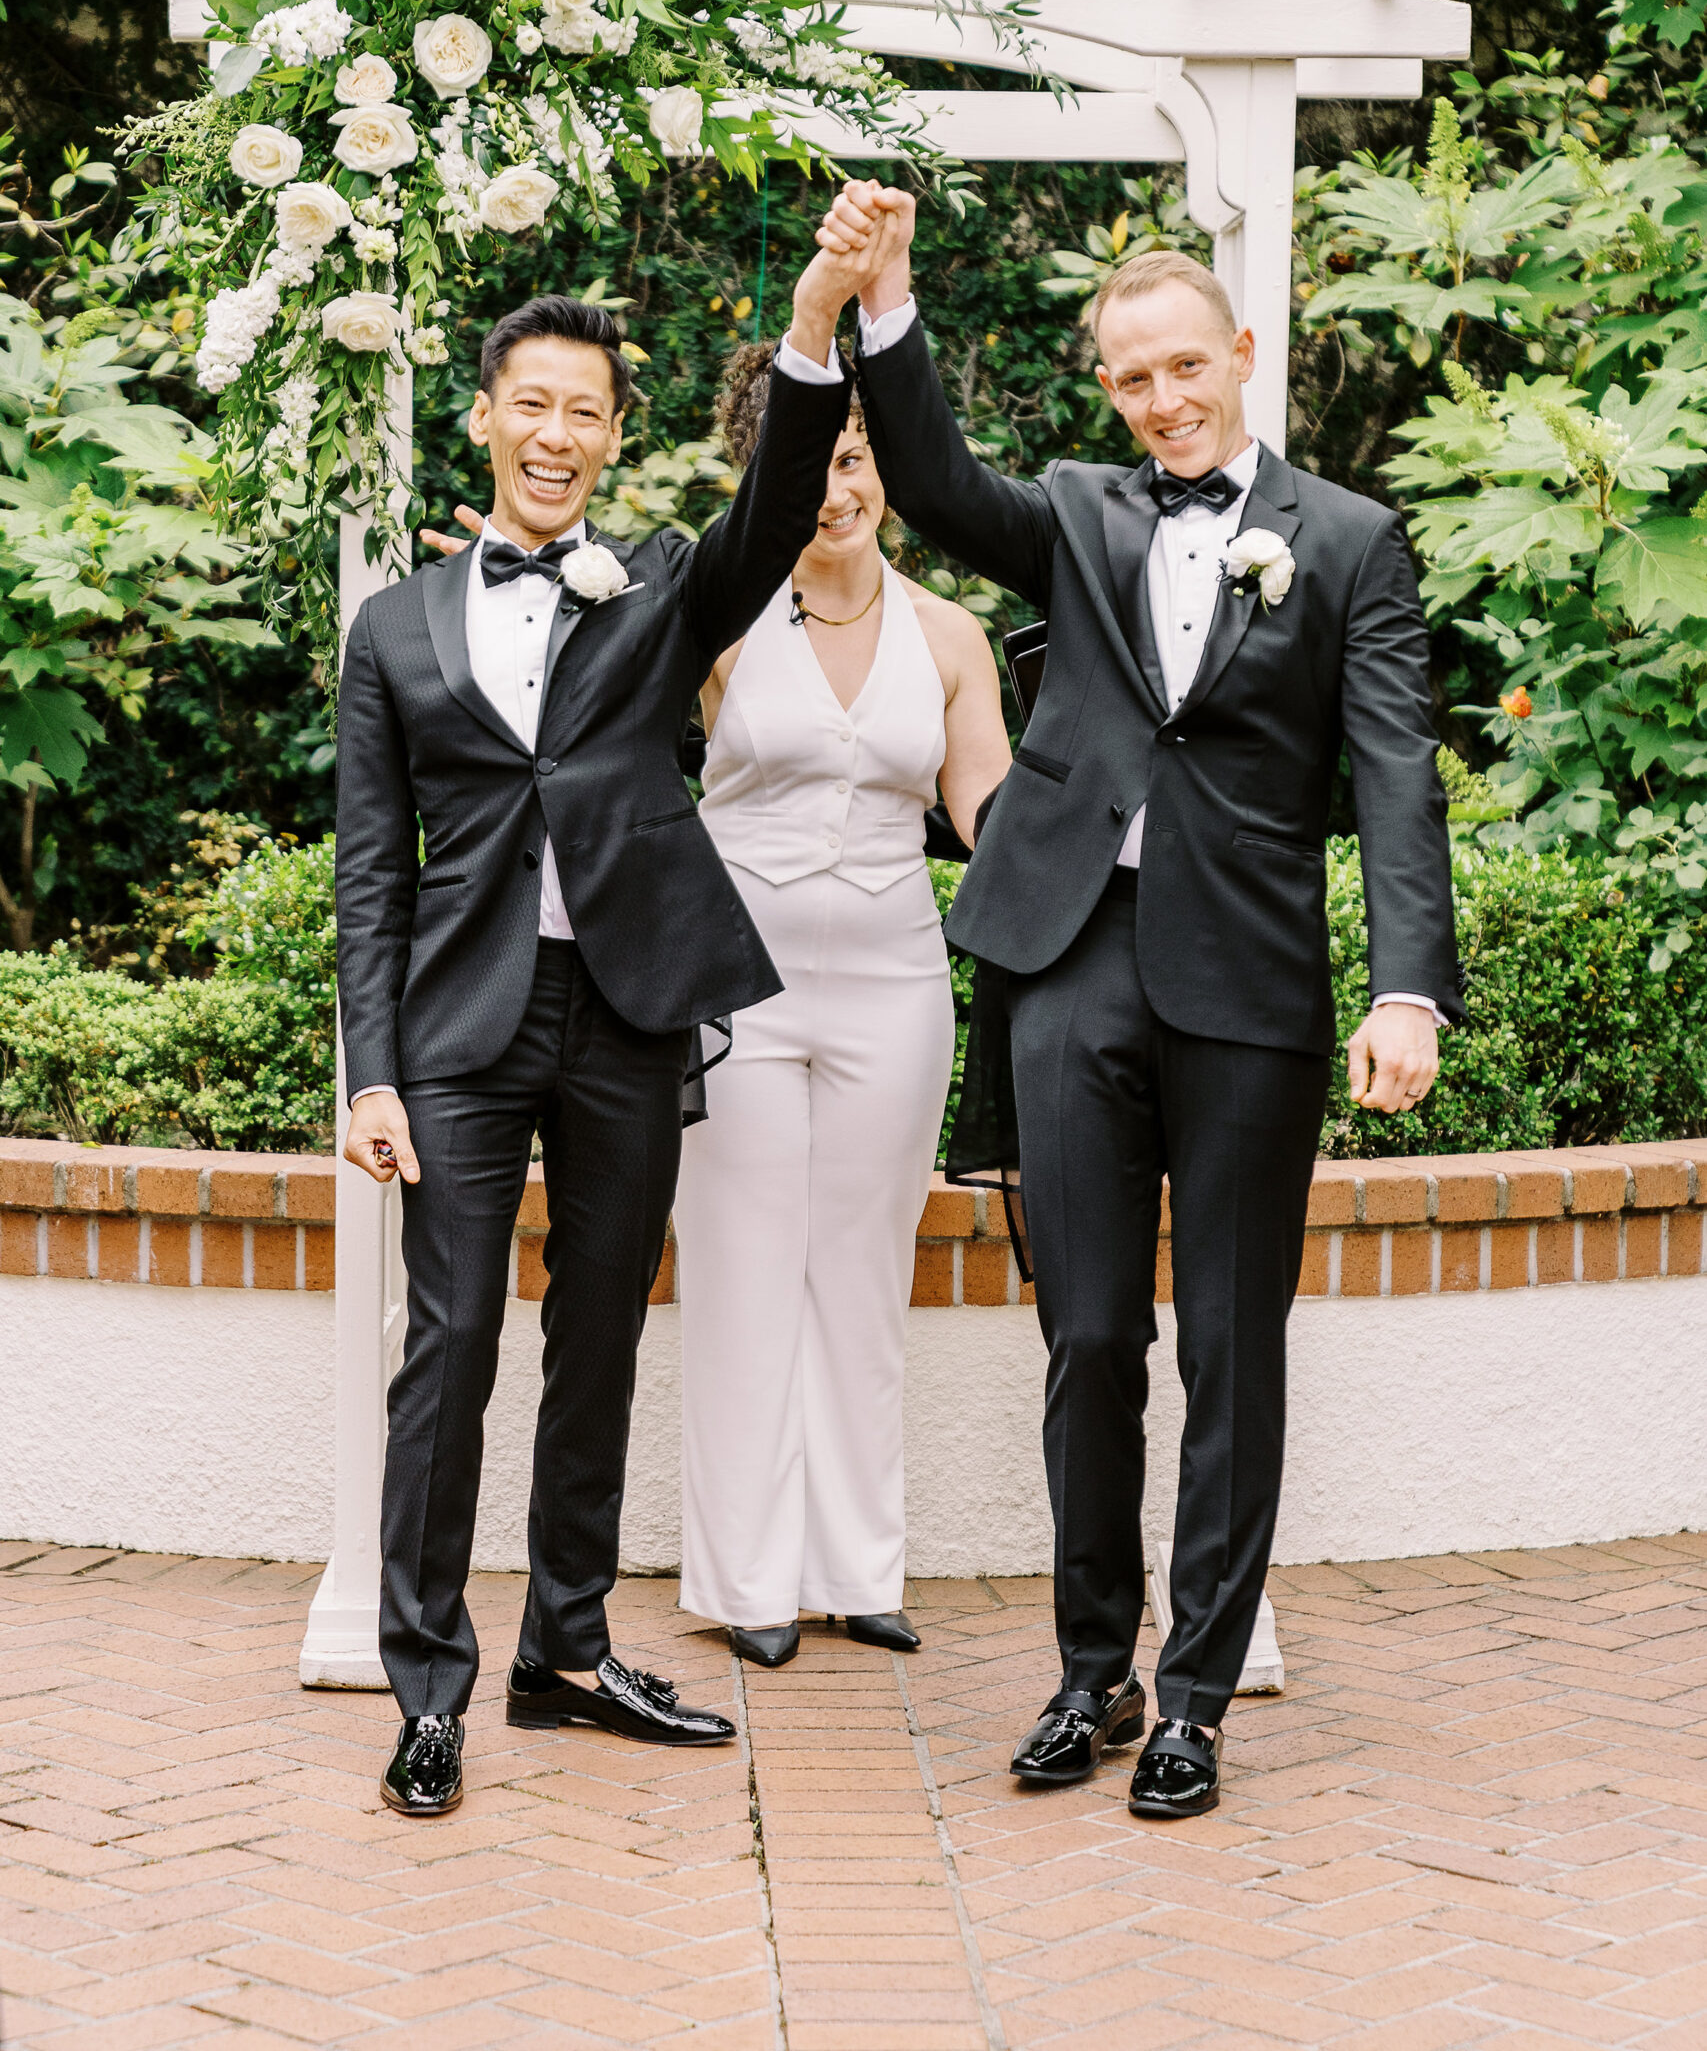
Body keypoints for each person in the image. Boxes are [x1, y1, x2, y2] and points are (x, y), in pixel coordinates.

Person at [813, 182, 1461, 1819]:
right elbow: (943, 485)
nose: (1162, 402)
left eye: (1185, 368)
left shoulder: (1350, 541)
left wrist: (1407, 990)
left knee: (1235, 1350)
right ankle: (1091, 1671)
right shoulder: (1084, 514)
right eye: (1130, 379)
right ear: (1106, 388)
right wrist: (883, 304)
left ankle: (1196, 1700)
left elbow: (1394, 778)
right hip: (1066, 958)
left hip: (1247, 982)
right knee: (1088, 1335)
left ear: (1242, 355)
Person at [336, 229, 889, 1818]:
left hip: (633, 1009)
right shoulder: (395, 630)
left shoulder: (657, 591)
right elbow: (375, 870)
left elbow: (780, 508)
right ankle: (427, 1686)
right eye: (534, 404)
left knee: (595, 1343)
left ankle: (565, 1653)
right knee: (447, 1345)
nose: (559, 434)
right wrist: (370, 1069)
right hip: (455, 1025)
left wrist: (804, 323)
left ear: (613, 436)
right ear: (489, 418)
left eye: (588, 411)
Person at [670, 338, 1011, 1668]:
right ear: (766, 474)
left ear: (887, 471)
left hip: (895, 980)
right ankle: (748, 1579)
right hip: (737, 984)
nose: (836, 488)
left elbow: (981, 803)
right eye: (808, 463)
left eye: (856, 458)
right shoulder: (715, 620)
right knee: (744, 1266)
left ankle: (862, 1567)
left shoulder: (950, 633)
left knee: (865, 1269)